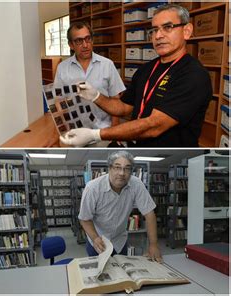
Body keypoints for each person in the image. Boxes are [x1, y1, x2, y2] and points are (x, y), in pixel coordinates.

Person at [60, 4, 212, 147]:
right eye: (154, 30)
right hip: (137, 147)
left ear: (187, 31)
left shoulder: (194, 75)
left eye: (168, 27)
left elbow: (153, 126)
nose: (158, 35)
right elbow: (125, 108)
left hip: (167, 154)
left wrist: (95, 134)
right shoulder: (146, 69)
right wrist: (96, 96)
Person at [78, 151, 162, 262]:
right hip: (98, 240)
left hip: (120, 241)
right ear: (109, 168)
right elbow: (85, 218)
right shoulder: (93, 188)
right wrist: (95, 238)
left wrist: (153, 244)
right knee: (100, 274)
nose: (122, 173)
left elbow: (149, 214)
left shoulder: (136, 184)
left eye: (127, 168)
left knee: (123, 272)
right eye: (117, 167)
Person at [54, 21, 126, 130]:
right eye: (79, 41)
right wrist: (61, 130)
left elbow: (116, 100)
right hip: (75, 130)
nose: (85, 45)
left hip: (102, 131)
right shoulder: (62, 68)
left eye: (88, 38)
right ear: (71, 45)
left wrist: (113, 132)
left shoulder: (107, 64)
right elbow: (58, 102)